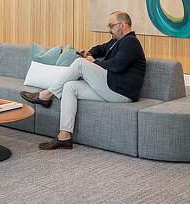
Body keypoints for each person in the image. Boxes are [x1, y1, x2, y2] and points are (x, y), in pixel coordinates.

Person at [20, 11, 146, 150]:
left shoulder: (131, 42)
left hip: (121, 92)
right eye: (108, 26)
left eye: (111, 26)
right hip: (111, 87)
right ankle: (64, 136)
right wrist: (90, 53)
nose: (109, 30)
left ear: (123, 25)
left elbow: (116, 66)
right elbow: (101, 48)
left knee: (80, 63)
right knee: (70, 87)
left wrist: (92, 62)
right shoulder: (117, 41)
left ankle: (46, 95)